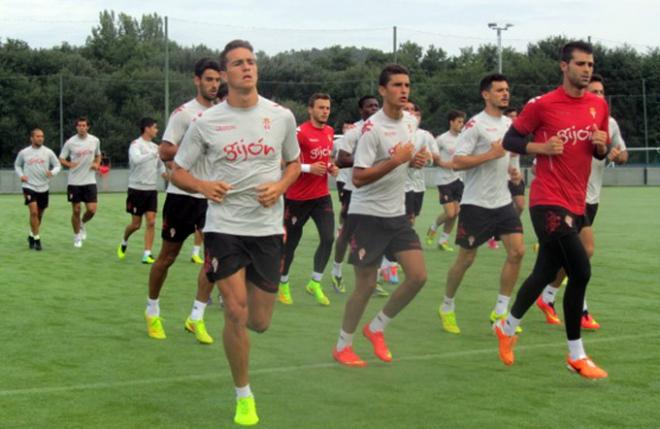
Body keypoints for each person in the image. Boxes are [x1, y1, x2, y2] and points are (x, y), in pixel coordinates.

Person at [171, 39, 300, 426]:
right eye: (238, 64)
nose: (247, 68)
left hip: (265, 229)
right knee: (235, 310)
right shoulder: (206, 122)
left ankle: (235, 330)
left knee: (259, 321)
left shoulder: (281, 117)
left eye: (252, 62)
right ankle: (244, 394)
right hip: (223, 227)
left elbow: (294, 164)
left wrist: (279, 187)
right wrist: (203, 187)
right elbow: (177, 170)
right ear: (224, 75)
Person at [496, 41, 610, 379]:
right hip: (546, 199)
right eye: (580, 64)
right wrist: (540, 147)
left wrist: (602, 147)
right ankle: (576, 354)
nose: (586, 70)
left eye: (590, 64)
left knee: (545, 273)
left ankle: (507, 326)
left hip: (577, 202)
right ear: (564, 66)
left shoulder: (598, 106)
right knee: (581, 271)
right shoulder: (542, 105)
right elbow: (511, 141)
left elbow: (599, 153)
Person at [332, 64, 428, 368]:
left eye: (407, 85)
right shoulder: (371, 129)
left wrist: (414, 161)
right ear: (383, 90)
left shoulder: (411, 122)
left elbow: (405, 159)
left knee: (418, 276)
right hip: (367, 215)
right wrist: (395, 160)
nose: (404, 91)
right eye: (397, 85)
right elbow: (358, 177)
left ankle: (376, 327)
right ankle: (343, 345)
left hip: (396, 213)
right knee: (367, 285)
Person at [536, 73, 628, 330]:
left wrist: (618, 156)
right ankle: (580, 310)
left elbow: (621, 152)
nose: (597, 97)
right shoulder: (567, 117)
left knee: (563, 259)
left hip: (591, 197)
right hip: (566, 197)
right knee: (583, 252)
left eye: (601, 93)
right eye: (593, 92)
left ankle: (546, 297)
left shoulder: (609, 123)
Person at [437, 74, 525, 335]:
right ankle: (447, 305)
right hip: (476, 204)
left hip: (502, 202)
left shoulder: (510, 124)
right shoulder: (475, 125)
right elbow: (457, 161)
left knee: (518, 252)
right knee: (466, 259)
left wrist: (512, 171)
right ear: (486, 94)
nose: (505, 94)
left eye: (507, 90)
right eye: (499, 90)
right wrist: (491, 154)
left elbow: (507, 157)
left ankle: (500, 311)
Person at [145, 58, 222, 345]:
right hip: (182, 196)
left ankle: (196, 318)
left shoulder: (223, 114)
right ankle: (152, 310)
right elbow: (165, 152)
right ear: (197, 80)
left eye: (217, 80)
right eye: (209, 79)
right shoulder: (184, 114)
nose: (214, 85)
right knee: (167, 258)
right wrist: (196, 147)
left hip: (211, 197)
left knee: (213, 261)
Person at [278, 93, 338, 306]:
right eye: (321, 107)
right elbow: (283, 161)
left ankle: (315, 282)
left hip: (321, 197)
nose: (325, 111)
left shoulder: (330, 132)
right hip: (297, 198)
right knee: (291, 244)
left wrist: (331, 167)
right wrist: (308, 168)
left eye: (328, 108)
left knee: (329, 238)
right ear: (310, 109)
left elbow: (324, 158)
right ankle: (283, 283)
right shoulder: (299, 133)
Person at [333, 95, 390, 297]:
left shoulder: (384, 129)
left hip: (377, 190)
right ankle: (336, 271)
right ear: (361, 110)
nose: (374, 109)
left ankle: (370, 281)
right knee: (347, 235)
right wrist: (367, 159)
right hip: (353, 189)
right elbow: (340, 159)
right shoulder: (355, 132)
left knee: (373, 236)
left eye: (376, 105)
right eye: (369, 106)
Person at [117, 118, 166, 264]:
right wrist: (154, 153)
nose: (157, 131)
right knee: (136, 225)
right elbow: (136, 160)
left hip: (151, 190)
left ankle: (147, 254)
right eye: (155, 128)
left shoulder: (155, 147)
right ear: (147, 128)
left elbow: (160, 165)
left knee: (151, 222)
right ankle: (124, 240)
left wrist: (167, 175)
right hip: (136, 190)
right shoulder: (135, 145)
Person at [14, 128, 61, 250]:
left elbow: (57, 165)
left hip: (44, 187)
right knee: (33, 212)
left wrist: (52, 172)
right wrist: (21, 175)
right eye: (38, 136)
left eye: (42, 136)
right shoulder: (24, 152)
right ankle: (37, 240)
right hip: (29, 186)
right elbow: (17, 165)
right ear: (32, 138)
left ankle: (31, 234)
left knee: (39, 214)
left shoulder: (48, 152)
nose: (40, 138)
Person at [426, 110, 466, 251]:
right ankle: (433, 227)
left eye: (462, 122)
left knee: (456, 212)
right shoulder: (441, 139)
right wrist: (443, 163)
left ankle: (443, 241)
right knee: (450, 213)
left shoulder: (464, 138)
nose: (461, 124)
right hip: (443, 180)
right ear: (451, 122)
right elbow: (432, 156)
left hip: (458, 179)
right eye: (458, 121)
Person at [59, 117, 101, 248]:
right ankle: (77, 236)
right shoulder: (70, 142)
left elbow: (98, 155)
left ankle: (82, 223)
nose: (82, 128)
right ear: (76, 127)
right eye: (79, 126)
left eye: (84, 125)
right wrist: (69, 164)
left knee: (92, 210)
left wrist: (97, 163)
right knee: (76, 210)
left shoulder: (95, 140)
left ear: (88, 127)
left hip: (89, 181)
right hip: (74, 182)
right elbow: (61, 158)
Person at [403, 101, 434, 225]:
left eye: (412, 109)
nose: (410, 112)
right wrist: (408, 162)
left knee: (412, 219)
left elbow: (430, 160)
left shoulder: (423, 135)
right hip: (400, 184)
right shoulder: (391, 131)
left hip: (418, 185)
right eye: (406, 109)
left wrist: (425, 160)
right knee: (405, 218)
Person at [504, 107, 526, 216]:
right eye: (511, 116)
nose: (514, 118)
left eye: (515, 116)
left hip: (516, 175)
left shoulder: (517, 134)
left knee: (520, 206)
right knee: (503, 208)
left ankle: (511, 226)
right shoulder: (501, 133)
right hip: (503, 177)